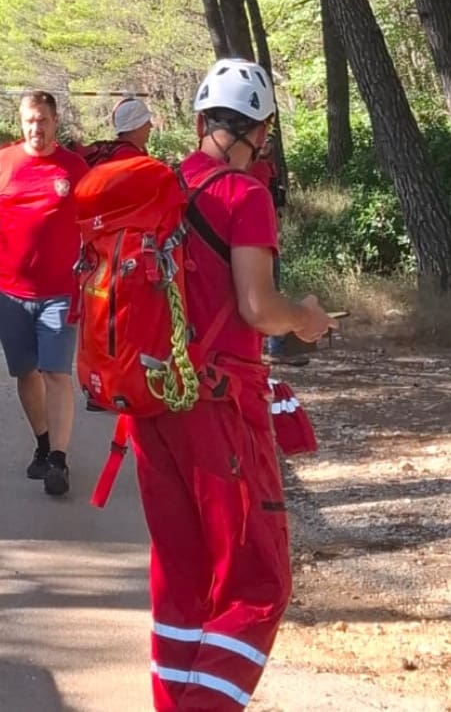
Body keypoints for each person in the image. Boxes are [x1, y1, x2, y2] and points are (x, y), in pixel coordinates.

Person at [133, 58, 335, 711]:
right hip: (218, 408)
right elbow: (257, 307)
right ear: (261, 132)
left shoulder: (158, 185)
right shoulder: (243, 196)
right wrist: (303, 318)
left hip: (150, 403)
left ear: (199, 122)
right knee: (258, 583)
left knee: (183, 578)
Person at [0, 91, 89, 497]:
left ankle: (58, 459)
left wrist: (96, 270)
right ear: (21, 123)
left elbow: (96, 219)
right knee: (25, 372)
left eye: (42, 120)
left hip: (61, 291)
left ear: (55, 122)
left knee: (56, 372)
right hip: (10, 292)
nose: (35, 127)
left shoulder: (74, 168)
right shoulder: (2, 164)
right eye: (28, 120)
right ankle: (42, 440)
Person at [75, 97, 154, 167]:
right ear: (135, 127)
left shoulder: (111, 150)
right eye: (147, 122)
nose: (151, 126)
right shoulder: (131, 158)